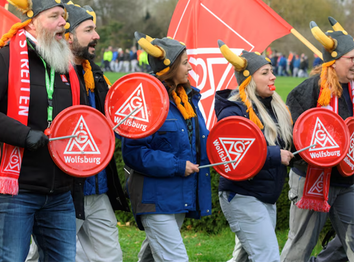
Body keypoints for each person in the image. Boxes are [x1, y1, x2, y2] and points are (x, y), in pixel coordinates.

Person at [0, 0, 80, 262]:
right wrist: (24, 135)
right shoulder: (3, 59)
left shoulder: (65, 66)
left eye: (63, 17)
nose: (64, 23)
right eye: (55, 17)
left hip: (60, 191)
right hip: (16, 189)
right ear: (34, 21)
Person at [122, 32, 212, 262]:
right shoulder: (147, 101)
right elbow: (133, 153)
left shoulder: (189, 99)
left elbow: (199, 141)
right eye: (185, 63)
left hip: (179, 197)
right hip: (155, 198)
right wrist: (178, 165)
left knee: (153, 257)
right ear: (169, 68)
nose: (190, 68)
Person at [62, 0, 130, 261]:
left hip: (97, 185)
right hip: (65, 188)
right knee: (46, 255)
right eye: (88, 30)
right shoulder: (53, 75)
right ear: (68, 36)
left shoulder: (97, 74)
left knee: (110, 256)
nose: (97, 35)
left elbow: (108, 121)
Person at [280, 17, 354, 261]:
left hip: (346, 182)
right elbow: (291, 136)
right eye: (351, 59)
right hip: (313, 179)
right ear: (334, 62)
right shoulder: (308, 90)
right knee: (300, 245)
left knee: (351, 242)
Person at [215, 41, 294, 262]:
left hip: (264, 195)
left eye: (272, 71)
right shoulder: (233, 112)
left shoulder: (275, 107)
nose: (273, 77)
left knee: (247, 258)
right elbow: (234, 155)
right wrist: (275, 156)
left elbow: (288, 142)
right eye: (265, 72)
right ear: (249, 79)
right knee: (268, 257)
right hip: (241, 195)